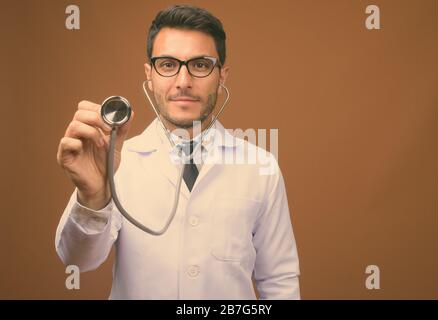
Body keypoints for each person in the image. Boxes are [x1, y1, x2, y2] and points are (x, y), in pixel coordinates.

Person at [55, 4, 300, 300]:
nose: (183, 82)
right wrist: (92, 197)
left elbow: (279, 281)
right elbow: (78, 259)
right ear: (150, 75)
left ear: (222, 76)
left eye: (200, 65)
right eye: (168, 65)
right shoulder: (116, 161)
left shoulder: (261, 167)